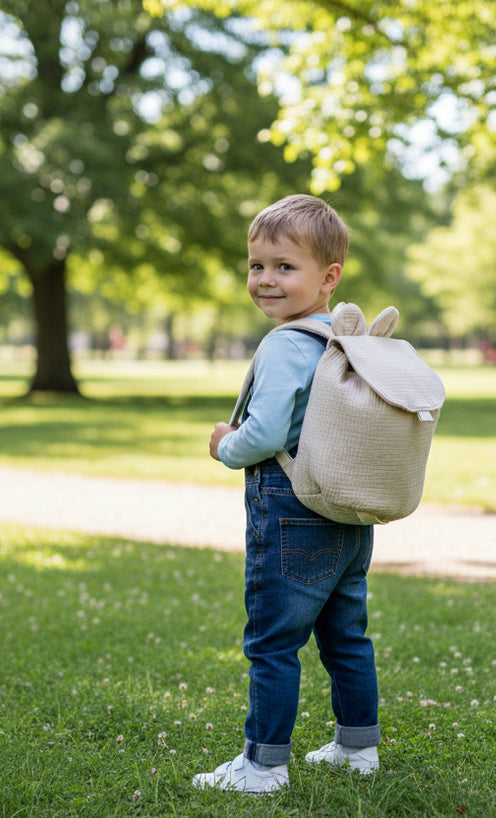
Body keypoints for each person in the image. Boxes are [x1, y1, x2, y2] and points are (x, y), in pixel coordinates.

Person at [193, 195, 381, 794]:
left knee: (273, 640)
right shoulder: (345, 341)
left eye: (284, 266)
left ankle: (264, 765)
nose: (265, 279)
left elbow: (268, 433)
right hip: (348, 509)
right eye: (256, 266)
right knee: (346, 635)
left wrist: (227, 443)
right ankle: (358, 749)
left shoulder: (284, 344)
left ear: (329, 278)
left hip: (293, 508)